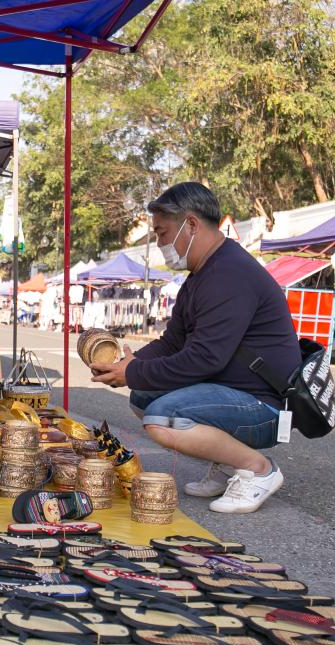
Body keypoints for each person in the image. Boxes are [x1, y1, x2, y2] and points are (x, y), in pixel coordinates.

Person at [90, 182, 301, 514]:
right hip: (232, 391)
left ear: (190, 224)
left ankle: (259, 470)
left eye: (162, 233)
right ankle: (229, 464)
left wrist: (131, 371)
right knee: (144, 397)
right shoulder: (202, 276)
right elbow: (173, 342)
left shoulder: (229, 274)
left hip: (264, 407)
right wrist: (128, 364)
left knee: (160, 417)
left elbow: (204, 358)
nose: (159, 243)